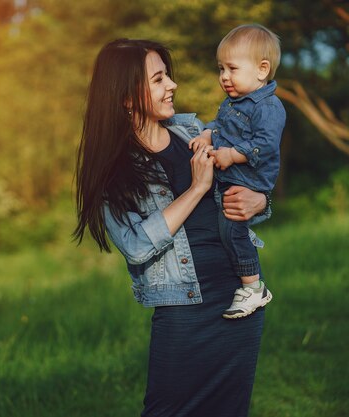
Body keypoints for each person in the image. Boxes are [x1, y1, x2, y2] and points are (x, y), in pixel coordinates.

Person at [74, 38, 270, 417]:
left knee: (230, 409)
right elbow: (134, 245)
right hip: (184, 307)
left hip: (240, 294)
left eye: (168, 76)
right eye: (159, 79)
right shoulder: (112, 165)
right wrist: (197, 188)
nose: (172, 86)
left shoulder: (193, 130)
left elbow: (250, 187)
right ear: (127, 97)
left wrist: (261, 201)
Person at [189, 24, 286, 319]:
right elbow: (221, 125)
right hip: (231, 176)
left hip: (249, 178)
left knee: (232, 231)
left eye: (232, 68)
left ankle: (253, 287)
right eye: (221, 69)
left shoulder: (268, 107)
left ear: (262, 69)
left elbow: (265, 145)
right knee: (225, 228)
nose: (224, 77)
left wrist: (232, 154)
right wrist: (207, 133)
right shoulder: (233, 103)